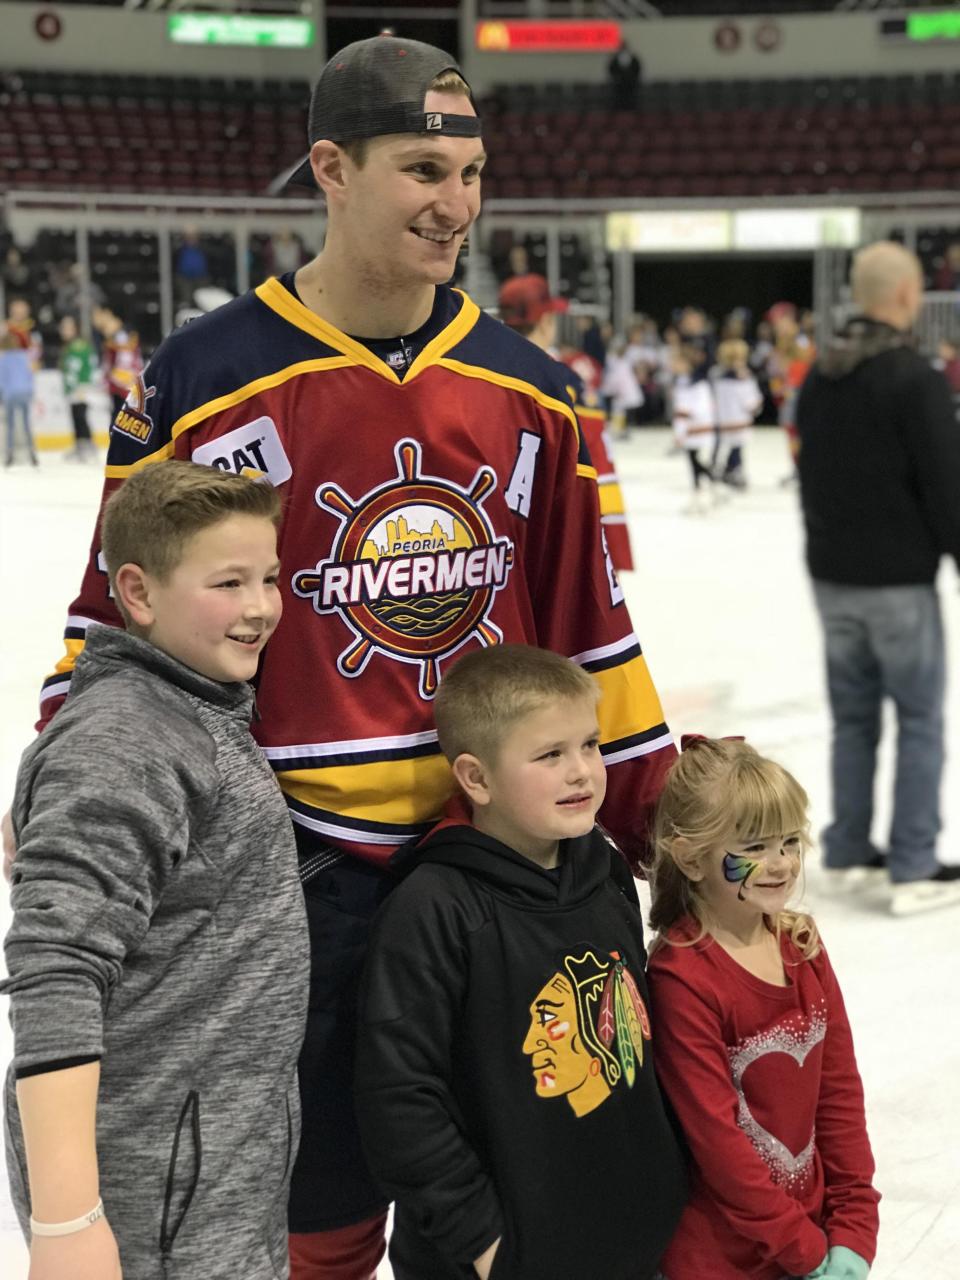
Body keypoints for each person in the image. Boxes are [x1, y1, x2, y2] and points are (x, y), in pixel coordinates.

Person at [7, 35, 677, 1279]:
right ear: (330, 166)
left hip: (486, 866)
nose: (457, 204)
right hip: (286, 872)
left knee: (476, 1202)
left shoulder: (536, 387)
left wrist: (656, 819)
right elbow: (120, 598)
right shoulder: (207, 375)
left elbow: (589, 625)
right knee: (306, 1214)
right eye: (424, 168)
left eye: (472, 173)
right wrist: (66, 755)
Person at [1, 461, 309, 1278]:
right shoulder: (129, 738)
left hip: (208, 1165)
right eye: (228, 582)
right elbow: (55, 968)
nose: (259, 607)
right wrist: (69, 1219)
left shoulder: (191, 708)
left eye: (270, 578)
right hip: (152, 1183)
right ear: (137, 593)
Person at [355, 645, 687, 1280]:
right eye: (550, 755)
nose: (582, 772)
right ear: (476, 779)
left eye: (589, 745)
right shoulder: (433, 908)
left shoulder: (604, 867)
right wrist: (482, 1244)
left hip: (632, 1244)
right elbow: (399, 1097)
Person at [646, 737, 880, 1280]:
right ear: (691, 857)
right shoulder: (683, 977)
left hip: (814, 1234)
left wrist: (853, 1224)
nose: (779, 864)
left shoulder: (800, 945)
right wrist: (804, 1251)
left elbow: (839, 1094)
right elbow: (718, 1145)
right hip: (721, 1259)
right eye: (752, 847)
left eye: (789, 841)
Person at [796, 241, 960, 917]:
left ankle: (848, 848)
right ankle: (914, 863)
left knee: (853, 720)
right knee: (919, 719)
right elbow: (945, 484)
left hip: (834, 576)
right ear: (902, 297)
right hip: (897, 580)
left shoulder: (819, 374)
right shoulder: (912, 377)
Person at [498, 272, 635, 571]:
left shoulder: (476, 377)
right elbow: (594, 465)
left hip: (491, 536)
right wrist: (612, 542)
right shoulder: (565, 383)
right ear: (547, 321)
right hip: (555, 538)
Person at [711, 337, 762, 489]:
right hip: (738, 420)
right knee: (736, 447)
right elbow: (751, 402)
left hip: (720, 419)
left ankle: (719, 467)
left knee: (721, 445)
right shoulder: (744, 378)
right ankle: (733, 469)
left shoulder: (714, 375)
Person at [671, 347, 717, 514]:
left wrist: (682, 429)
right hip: (692, 428)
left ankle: (712, 485)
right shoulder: (685, 382)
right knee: (694, 461)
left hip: (696, 428)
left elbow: (696, 408)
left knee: (696, 461)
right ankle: (701, 492)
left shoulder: (696, 384)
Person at [92, 304, 144, 421]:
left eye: (99, 316)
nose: (96, 321)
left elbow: (125, 366)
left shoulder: (121, 338)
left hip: (124, 389)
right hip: (122, 388)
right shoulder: (116, 338)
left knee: (120, 420)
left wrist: (107, 381)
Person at [58, 314, 98, 461]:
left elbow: (86, 366)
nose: (64, 330)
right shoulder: (71, 345)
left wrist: (83, 386)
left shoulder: (78, 346)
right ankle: (80, 445)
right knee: (76, 415)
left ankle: (86, 446)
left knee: (80, 416)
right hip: (74, 388)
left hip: (80, 388)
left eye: (67, 327)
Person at [0, 323, 38, 467]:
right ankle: (32, 453)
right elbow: (30, 375)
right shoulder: (24, 356)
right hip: (25, 392)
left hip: (10, 394)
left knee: (10, 425)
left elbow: (2, 380)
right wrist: (30, 391)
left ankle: (10, 453)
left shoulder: (2, 360)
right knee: (26, 424)